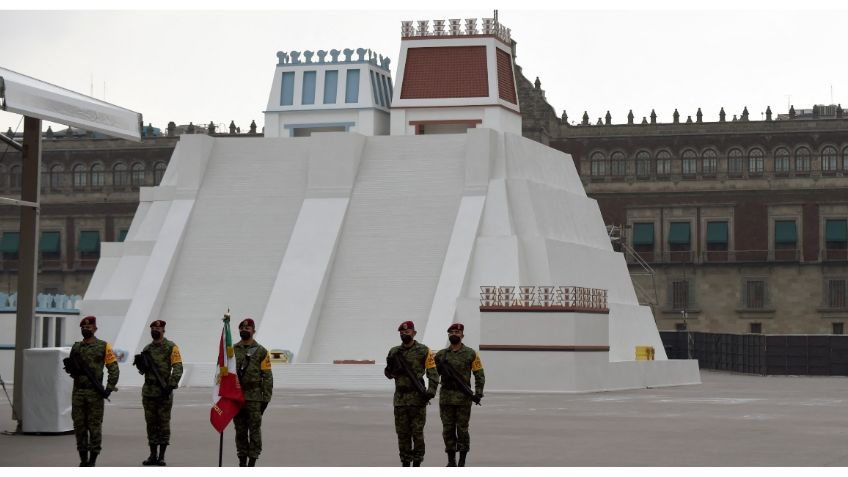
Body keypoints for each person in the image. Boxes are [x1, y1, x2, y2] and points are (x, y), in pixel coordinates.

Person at [65, 316, 120, 467]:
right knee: (79, 427)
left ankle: (92, 460)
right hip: (78, 394)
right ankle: (83, 460)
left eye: (89, 327)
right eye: (83, 327)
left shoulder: (103, 346)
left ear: (95, 328)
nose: (86, 329)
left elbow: (113, 368)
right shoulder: (76, 347)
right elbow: (71, 369)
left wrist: (109, 388)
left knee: (94, 427)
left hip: (95, 394)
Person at [384, 320, 439, 466]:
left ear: (414, 333)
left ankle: (417, 463)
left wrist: (431, 391)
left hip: (417, 398)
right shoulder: (394, 351)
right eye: (402, 333)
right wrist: (391, 368)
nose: (404, 334)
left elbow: (433, 373)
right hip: (400, 399)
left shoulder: (424, 350)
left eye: (407, 332)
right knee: (402, 434)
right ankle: (405, 463)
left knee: (417, 434)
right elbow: (388, 374)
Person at [435, 323, 485, 467]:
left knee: (462, 430)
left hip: (463, 398)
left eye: (457, 332)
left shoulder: (471, 353)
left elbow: (479, 374)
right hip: (446, 397)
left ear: (462, 335)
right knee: (447, 430)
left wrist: (479, 392)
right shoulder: (441, 355)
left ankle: (462, 461)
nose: (454, 334)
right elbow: (433, 374)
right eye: (451, 332)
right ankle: (451, 461)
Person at [135, 320, 183, 466]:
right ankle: (152, 455)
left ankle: (161, 456)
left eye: (158, 327)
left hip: (164, 391)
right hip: (149, 391)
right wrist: (140, 365)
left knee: (163, 424)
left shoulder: (171, 347)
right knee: (151, 424)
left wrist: (171, 385)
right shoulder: (147, 348)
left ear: (163, 330)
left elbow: (178, 367)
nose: (156, 329)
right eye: (153, 327)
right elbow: (143, 371)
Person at [233, 318, 273, 467]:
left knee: (254, 431)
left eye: (248, 328)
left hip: (254, 398)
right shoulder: (232, 350)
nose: (244, 329)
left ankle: (252, 462)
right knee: (240, 431)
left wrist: (266, 399)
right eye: (242, 327)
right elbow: (225, 373)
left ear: (253, 331)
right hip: (236, 397)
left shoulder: (261, 351)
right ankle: (242, 461)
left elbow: (267, 376)